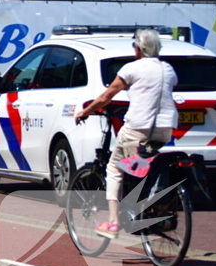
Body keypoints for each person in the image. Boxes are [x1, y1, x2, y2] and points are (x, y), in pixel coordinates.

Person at [74, 28, 178, 239]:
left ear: (139, 48)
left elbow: (106, 97)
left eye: (134, 46)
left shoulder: (131, 68)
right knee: (144, 163)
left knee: (114, 168)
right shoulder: (168, 69)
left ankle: (113, 222)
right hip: (165, 129)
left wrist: (85, 112)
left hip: (137, 128)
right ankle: (151, 205)